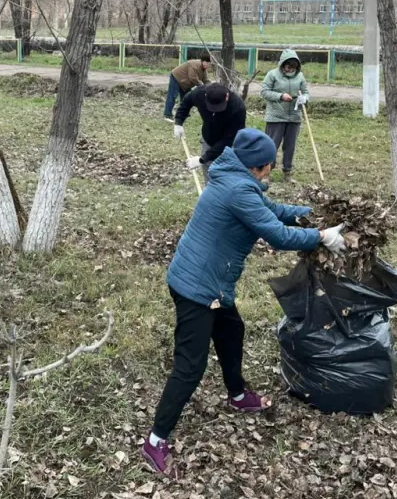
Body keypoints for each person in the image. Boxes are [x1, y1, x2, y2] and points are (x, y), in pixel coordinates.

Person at [142, 128, 345, 476]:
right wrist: (321, 237)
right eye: (271, 165)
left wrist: (311, 215)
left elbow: (274, 210)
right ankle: (155, 440)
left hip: (211, 284)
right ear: (259, 167)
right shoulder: (238, 190)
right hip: (198, 288)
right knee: (190, 367)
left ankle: (237, 395)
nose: (272, 170)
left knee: (232, 332)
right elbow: (278, 235)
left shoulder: (236, 179)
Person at [173, 83, 247, 181]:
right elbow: (187, 100)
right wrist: (178, 121)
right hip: (208, 137)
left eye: (219, 108)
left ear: (227, 97)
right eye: (212, 107)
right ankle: (211, 193)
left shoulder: (237, 108)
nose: (215, 111)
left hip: (229, 143)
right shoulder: (199, 93)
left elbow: (229, 139)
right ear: (205, 97)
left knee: (227, 172)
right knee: (209, 169)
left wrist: (202, 159)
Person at [260, 49, 310, 177]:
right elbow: (264, 92)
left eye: (294, 67)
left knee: (290, 146)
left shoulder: (300, 76)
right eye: (288, 67)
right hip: (276, 116)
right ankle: (267, 172)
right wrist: (280, 96)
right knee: (272, 145)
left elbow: (306, 92)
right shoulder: (272, 75)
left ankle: (287, 171)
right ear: (282, 64)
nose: (291, 70)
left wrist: (305, 98)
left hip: (294, 117)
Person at [164, 52, 211, 121]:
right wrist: (202, 86)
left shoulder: (204, 70)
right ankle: (167, 115)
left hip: (185, 83)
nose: (208, 65)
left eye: (209, 64)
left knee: (187, 99)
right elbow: (192, 78)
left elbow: (206, 80)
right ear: (203, 61)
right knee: (172, 96)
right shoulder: (195, 65)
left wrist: (211, 87)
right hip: (176, 77)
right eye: (207, 63)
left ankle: (184, 114)